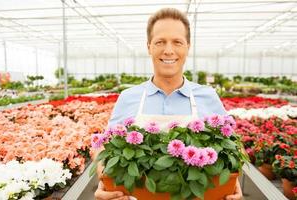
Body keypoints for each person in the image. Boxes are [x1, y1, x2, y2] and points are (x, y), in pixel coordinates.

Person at [95, 8, 242, 200]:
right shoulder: (128, 97)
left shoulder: (208, 96)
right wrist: (104, 179)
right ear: (149, 47)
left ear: (188, 47)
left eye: (177, 42)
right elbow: (104, 145)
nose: (169, 50)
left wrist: (231, 183)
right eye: (160, 42)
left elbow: (231, 146)